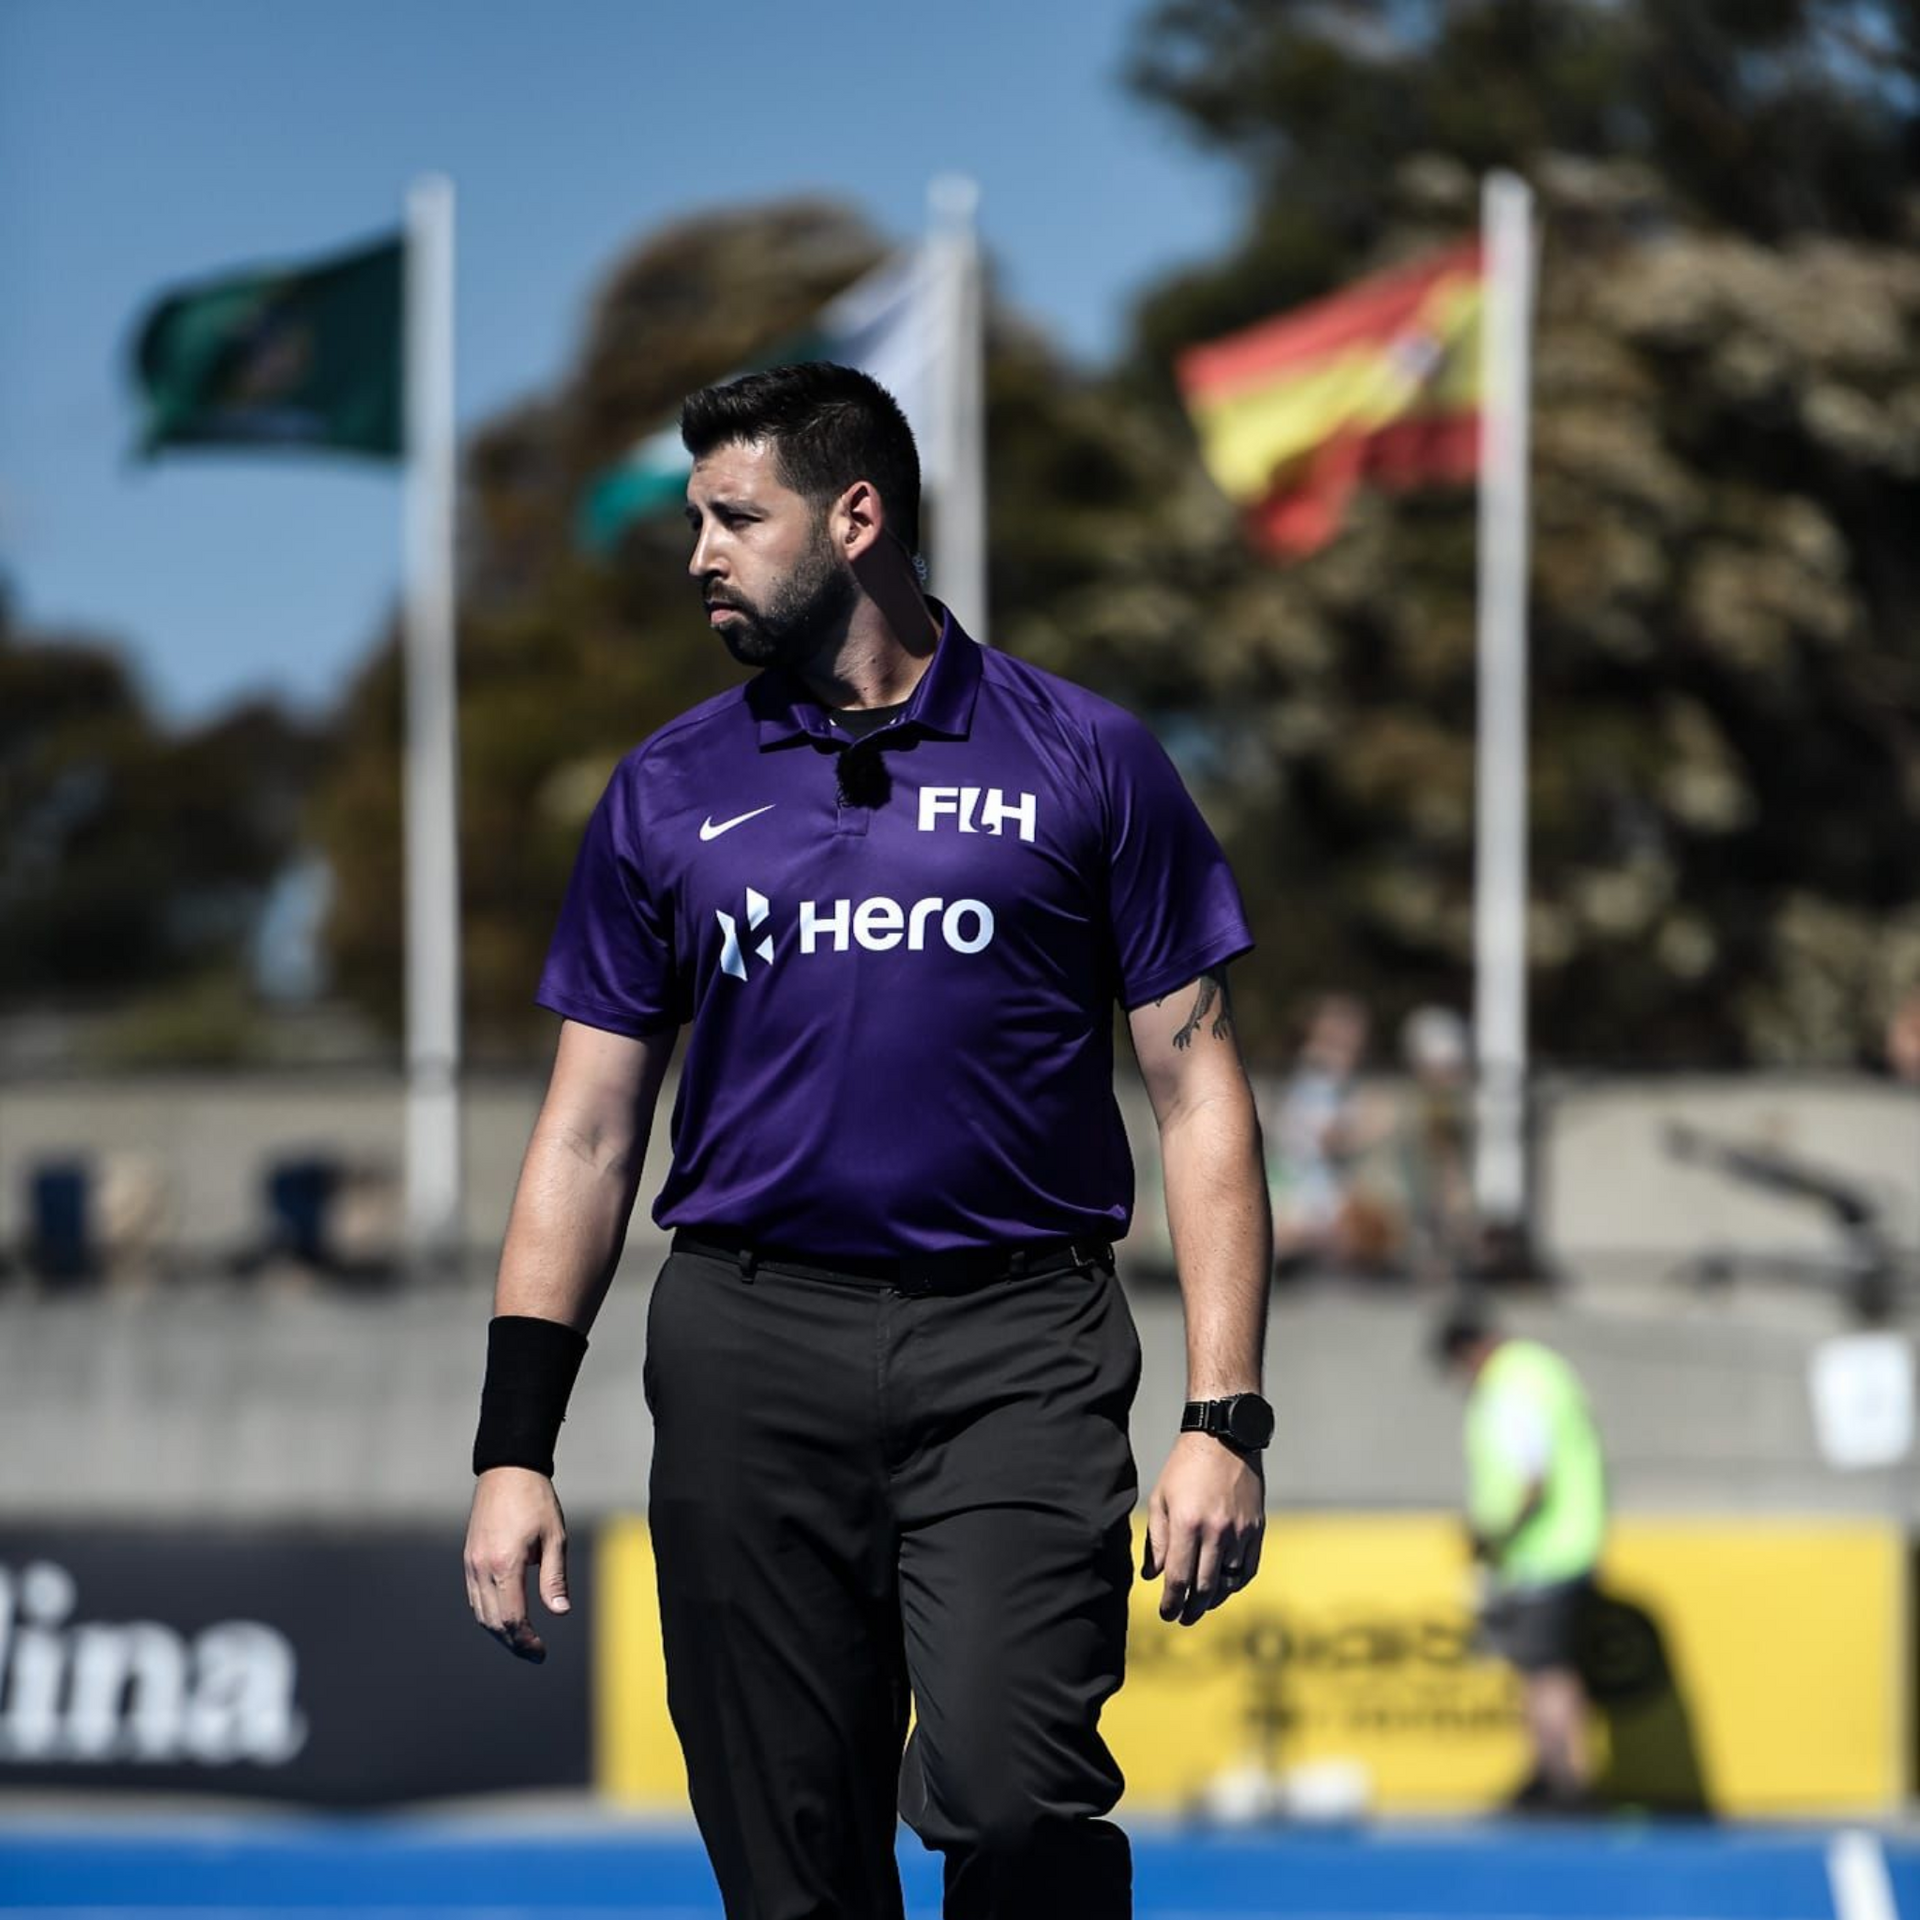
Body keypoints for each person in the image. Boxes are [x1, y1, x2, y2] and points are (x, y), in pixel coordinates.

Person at [462, 362, 1273, 1920]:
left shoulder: (1090, 757)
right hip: (748, 1344)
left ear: (857, 515)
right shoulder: (663, 790)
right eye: (696, 519)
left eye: (732, 516)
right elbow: (583, 1136)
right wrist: (515, 1449)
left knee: (1020, 1800)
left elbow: (1201, 1094)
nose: (698, 549)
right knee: (791, 1872)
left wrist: (1223, 1415)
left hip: (1020, 1344)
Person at [1432, 1303, 1606, 1814]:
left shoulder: (1511, 1386)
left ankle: (1571, 1781)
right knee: (1539, 1666)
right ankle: (1548, 1773)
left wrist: (1495, 1536)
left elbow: (1533, 1479)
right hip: (1564, 1546)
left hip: (1544, 1552)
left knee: (1548, 1668)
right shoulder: (1540, 1371)